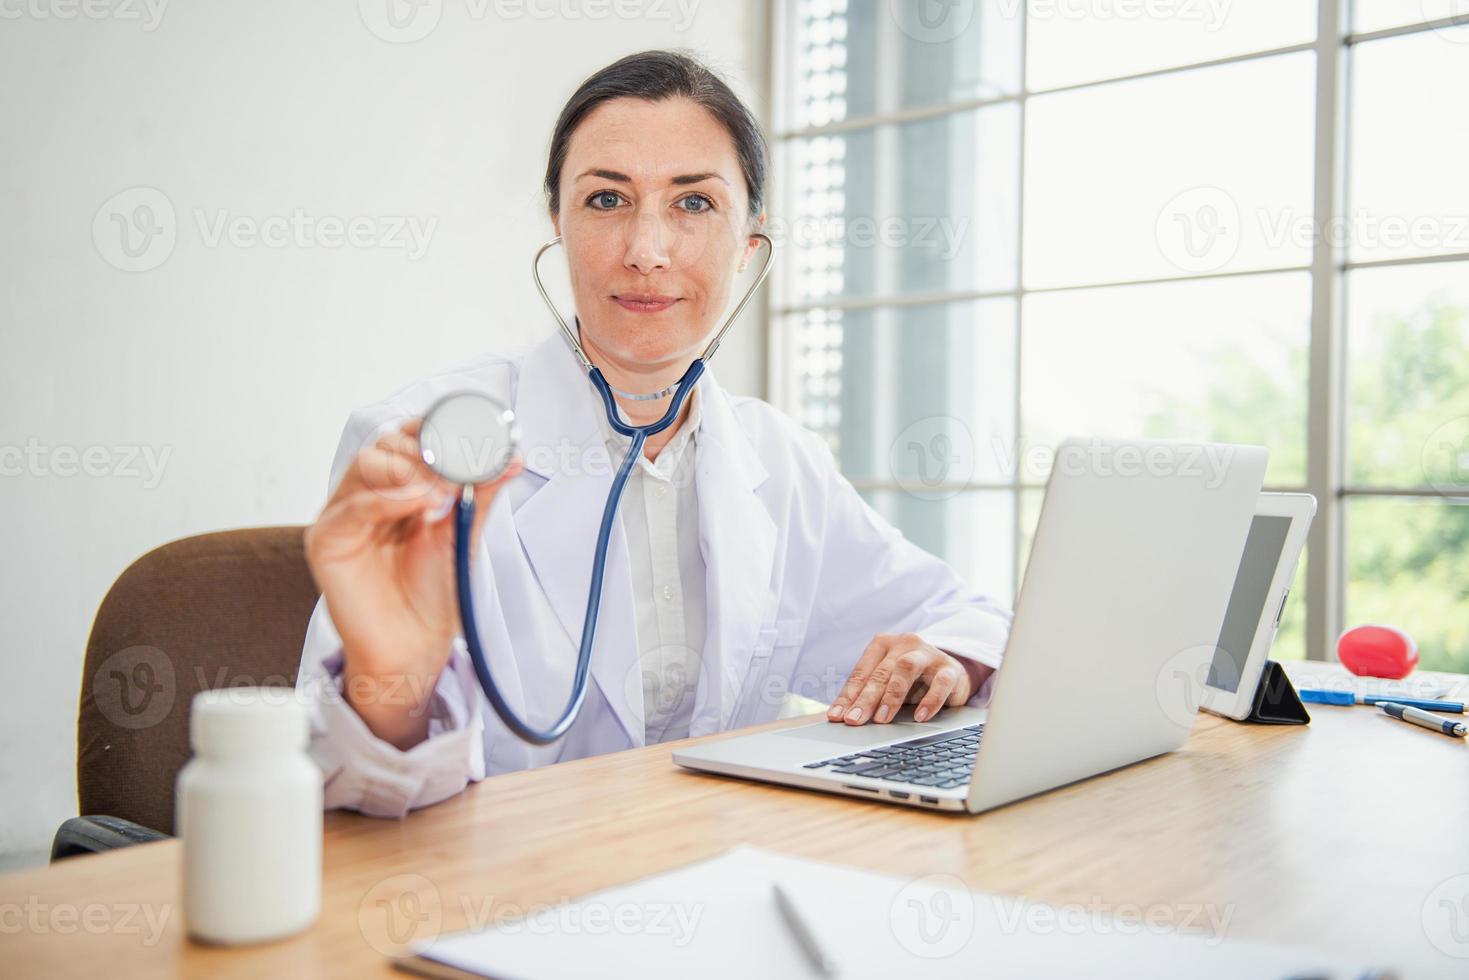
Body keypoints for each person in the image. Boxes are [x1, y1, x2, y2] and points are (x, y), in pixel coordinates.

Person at [295, 49, 1013, 818]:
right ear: (558, 224)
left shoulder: (778, 459)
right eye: (606, 200)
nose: (646, 250)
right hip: (498, 898)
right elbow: (345, 793)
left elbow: (966, 616)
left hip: (714, 873)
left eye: (693, 204)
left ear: (749, 240)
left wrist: (948, 657)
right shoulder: (424, 447)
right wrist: (388, 681)